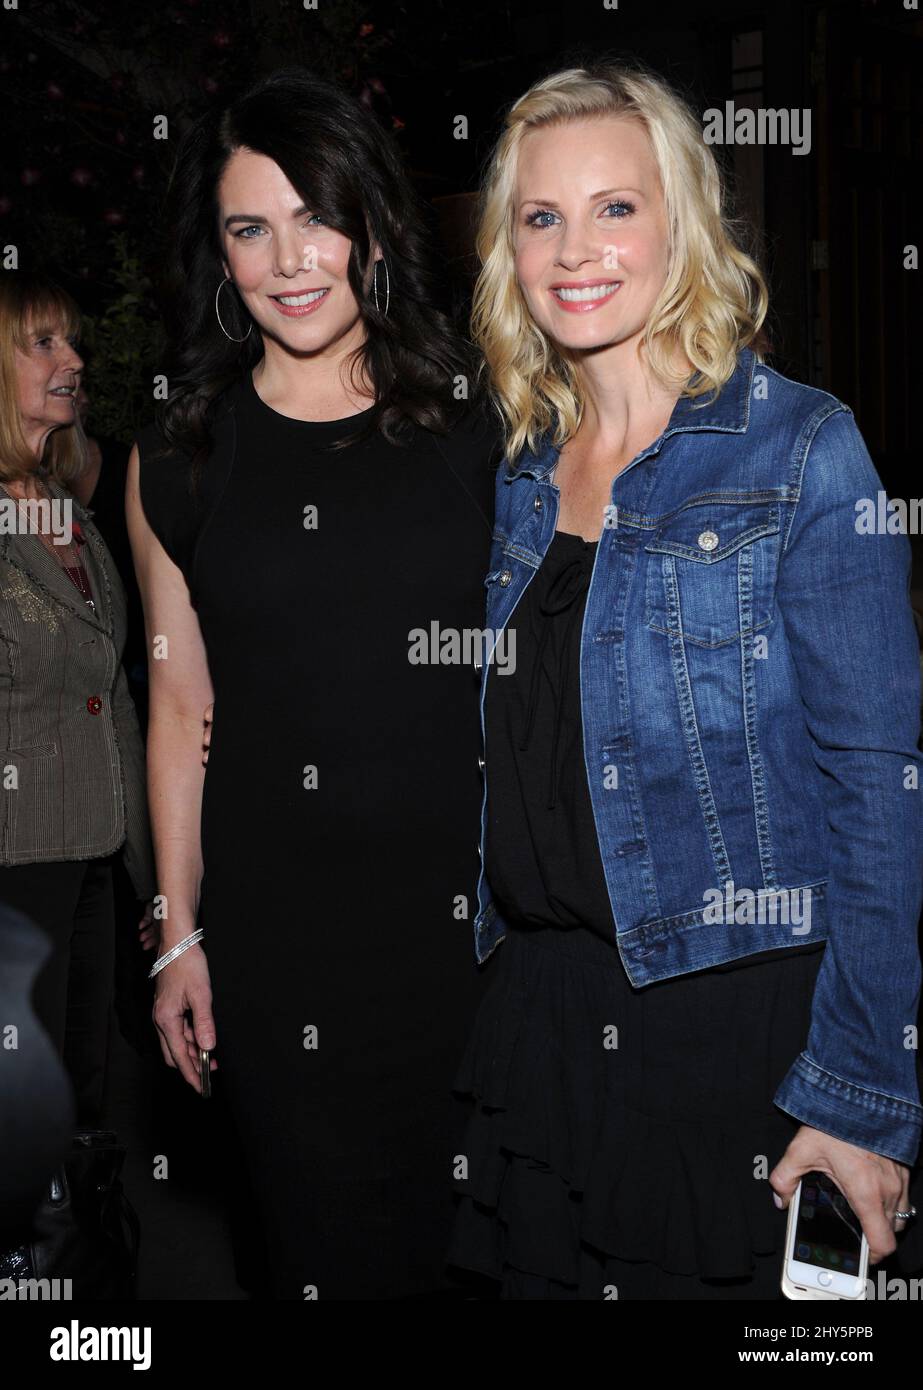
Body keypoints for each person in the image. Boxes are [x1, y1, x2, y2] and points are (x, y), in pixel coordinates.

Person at [446, 60, 923, 1299]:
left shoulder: (801, 449)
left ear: (681, 227)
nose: (574, 247)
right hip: (539, 1025)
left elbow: (878, 790)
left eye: (615, 207)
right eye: (540, 216)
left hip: (737, 1033)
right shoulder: (517, 477)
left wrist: (860, 1090)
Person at [126, 67, 499, 1299]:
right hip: (280, 941)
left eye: (316, 217)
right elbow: (181, 705)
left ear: (375, 228)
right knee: (318, 1260)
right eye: (249, 227)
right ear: (218, 252)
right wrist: (177, 931)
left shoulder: (476, 421)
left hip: (473, 936)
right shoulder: (179, 452)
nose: (289, 259)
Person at [0, 273, 157, 1130]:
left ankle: (71, 1263)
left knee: (79, 1106)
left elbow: (114, 699)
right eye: (44, 343)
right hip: (13, 871)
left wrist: (148, 880)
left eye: (71, 340)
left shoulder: (71, 514)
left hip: (93, 866)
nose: (74, 359)